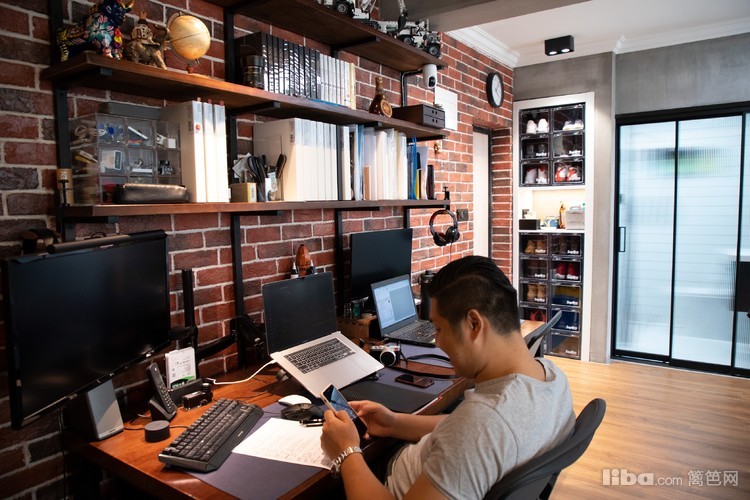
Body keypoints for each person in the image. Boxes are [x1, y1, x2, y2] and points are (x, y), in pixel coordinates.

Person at [321, 255, 575, 499]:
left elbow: (472, 432)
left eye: (439, 328)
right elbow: (462, 427)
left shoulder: (480, 427)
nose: (438, 341)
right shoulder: (552, 378)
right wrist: (394, 423)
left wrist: (346, 452)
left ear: (474, 324)